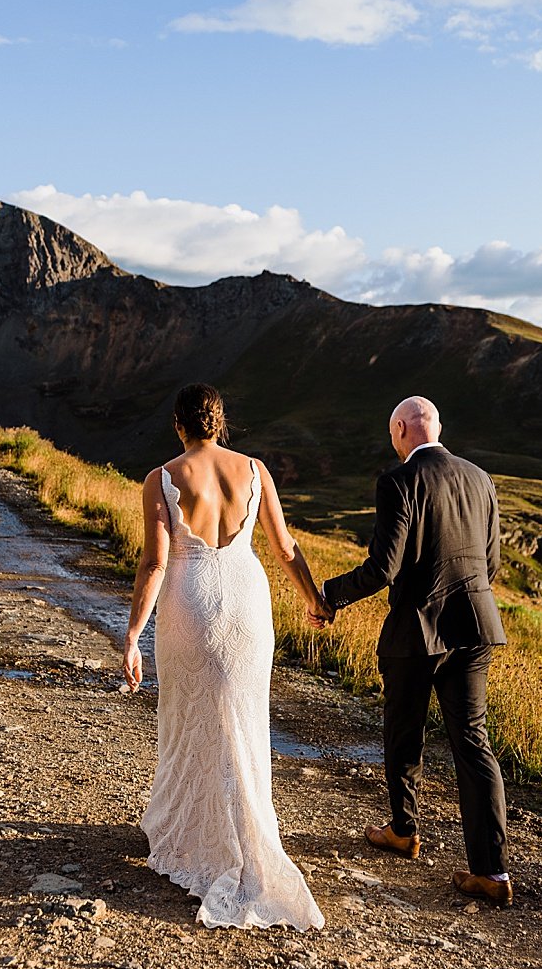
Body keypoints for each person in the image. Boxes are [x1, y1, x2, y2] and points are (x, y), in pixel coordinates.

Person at [123, 383, 329, 930]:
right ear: (220, 423)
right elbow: (285, 547)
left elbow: (154, 564)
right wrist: (314, 599)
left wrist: (132, 635)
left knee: (191, 716)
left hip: (190, 603)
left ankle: (200, 835)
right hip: (245, 600)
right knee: (243, 719)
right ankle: (248, 833)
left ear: (179, 425)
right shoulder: (256, 470)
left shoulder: (161, 478)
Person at [319, 395, 513, 906]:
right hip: (474, 625)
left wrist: (330, 597)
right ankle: (491, 872)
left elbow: (384, 567)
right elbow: (491, 566)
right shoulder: (481, 479)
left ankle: (404, 832)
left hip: (416, 631)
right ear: (437, 427)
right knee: (473, 743)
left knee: (404, 732)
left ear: (402, 429)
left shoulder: (398, 481)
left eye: (392, 434)